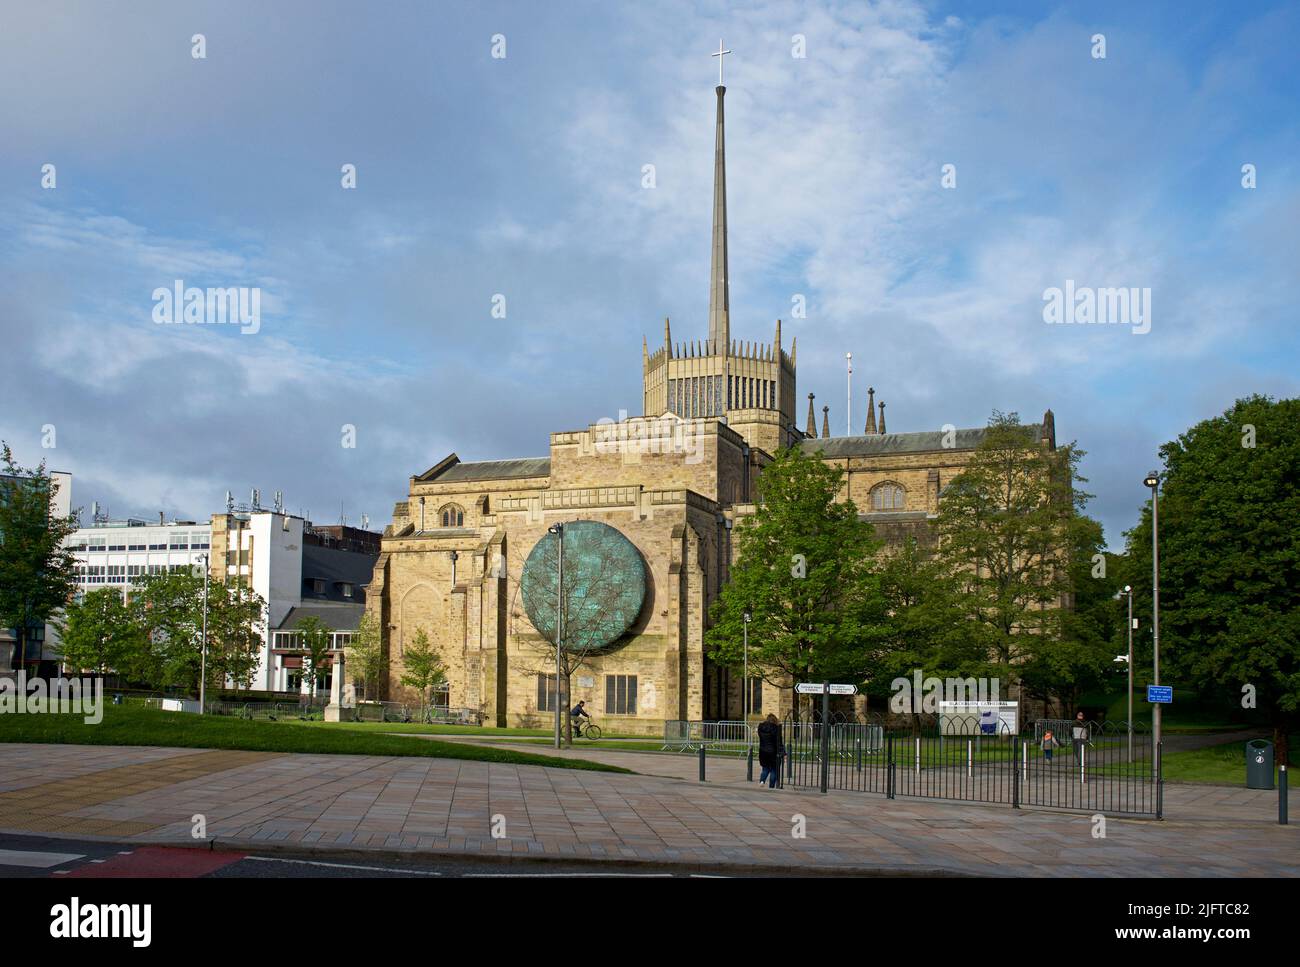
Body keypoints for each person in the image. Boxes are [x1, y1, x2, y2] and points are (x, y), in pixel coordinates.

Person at [756, 713, 785, 788]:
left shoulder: (761, 728)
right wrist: (783, 752)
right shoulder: (776, 728)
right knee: (774, 770)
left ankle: (762, 781)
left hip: (763, 751)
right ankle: (771, 786)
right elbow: (779, 742)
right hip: (773, 752)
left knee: (765, 769)